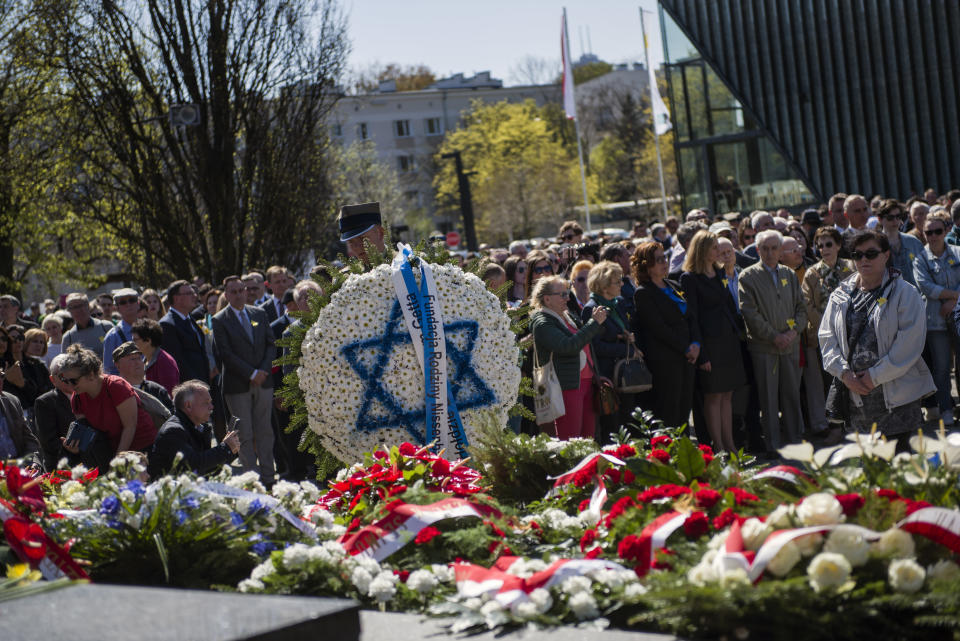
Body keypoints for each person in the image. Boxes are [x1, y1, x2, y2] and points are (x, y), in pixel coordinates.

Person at [820, 230, 936, 436]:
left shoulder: (905, 292)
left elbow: (910, 344)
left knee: (904, 464)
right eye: (857, 255)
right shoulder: (840, 295)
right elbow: (827, 339)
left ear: (886, 255)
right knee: (870, 465)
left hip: (899, 401)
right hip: (858, 403)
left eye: (871, 253)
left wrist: (874, 376)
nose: (864, 259)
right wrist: (845, 374)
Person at [738, 230, 806, 454]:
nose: (769, 253)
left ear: (780, 250)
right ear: (757, 250)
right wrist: (773, 336)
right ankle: (774, 444)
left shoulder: (788, 273)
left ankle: (795, 440)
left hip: (791, 345)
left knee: (792, 394)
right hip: (764, 348)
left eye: (774, 248)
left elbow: (801, 308)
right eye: (764, 248)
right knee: (768, 398)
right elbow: (750, 313)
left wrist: (793, 332)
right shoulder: (747, 276)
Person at [680, 231, 746, 452]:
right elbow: (693, 317)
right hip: (709, 344)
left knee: (727, 395)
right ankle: (718, 446)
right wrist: (703, 353)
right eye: (714, 247)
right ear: (703, 250)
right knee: (713, 396)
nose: (719, 251)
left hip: (728, 341)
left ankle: (730, 444)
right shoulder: (689, 278)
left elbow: (728, 305)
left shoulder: (719, 272)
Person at [212, 275, 276, 485]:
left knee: (265, 431)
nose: (239, 295)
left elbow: (270, 344)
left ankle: (269, 478)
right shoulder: (220, 319)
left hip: (263, 382)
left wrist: (263, 371)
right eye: (234, 291)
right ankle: (253, 481)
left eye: (242, 290)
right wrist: (251, 373)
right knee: (245, 434)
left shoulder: (259, 313)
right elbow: (225, 354)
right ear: (226, 294)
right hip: (238, 385)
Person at [529, 275, 606, 440]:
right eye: (562, 294)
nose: (567, 298)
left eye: (567, 293)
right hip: (566, 386)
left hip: (585, 382)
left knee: (588, 439)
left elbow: (584, 344)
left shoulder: (566, 315)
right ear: (547, 299)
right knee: (570, 440)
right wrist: (594, 323)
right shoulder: (542, 322)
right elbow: (568, 347)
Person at [631, 242, 698, 428]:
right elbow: (659, 328)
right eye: (658, 260)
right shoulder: (643, 293)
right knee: (669, 412)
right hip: (666, 361)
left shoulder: (673, 285)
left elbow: (691, 318)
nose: (664, 262)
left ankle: (685, 453)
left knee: (684, 411)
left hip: (688, 357)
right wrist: (685, 348)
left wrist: (696, 344)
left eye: (664, 258)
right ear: (646, 265)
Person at [59, 345, 158, 465]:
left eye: (73, 381)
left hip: (144, 450)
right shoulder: (77, 397)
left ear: (90, 374)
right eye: (65, 380)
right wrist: (77, 448)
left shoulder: (116, 386)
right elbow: (90, 435)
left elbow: (130, 427)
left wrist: (117, 461)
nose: (69, 385)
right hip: (111, 452)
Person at [802, 227, 855, 442]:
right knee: (829, 383)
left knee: (851, 379)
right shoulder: (812, 273)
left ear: (838, 245)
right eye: (820, 245)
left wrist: (844, 325)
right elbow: (807, 305)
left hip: (850, 333)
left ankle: (853, 423)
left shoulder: (850, 268)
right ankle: (832, 425)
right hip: (822, 338)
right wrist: (829, 327)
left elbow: (858, 297)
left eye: (828, 244)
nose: (824, 249)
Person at [914, 210, 960, 425]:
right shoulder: (920, 258)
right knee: (941, 368)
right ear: (923, 234)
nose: (933, 236)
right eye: (928, 232)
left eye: (937, 231)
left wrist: (953, 301)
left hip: (958, 317)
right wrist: (954, 296)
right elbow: (926, 287)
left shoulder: (958, 252)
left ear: (946, 231)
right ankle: (946, 409)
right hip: (935, 321)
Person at [582, 261, 637, 443]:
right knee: (612, 429)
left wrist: (627, 338)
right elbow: (596, 347)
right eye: (617, 281)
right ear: (604, 285)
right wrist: (627, 350)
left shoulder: (617, 303)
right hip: (608, 378)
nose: (622, 284)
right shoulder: (592, 308)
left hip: (624, 374)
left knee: (629, 424)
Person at [147, 380, 240, 478]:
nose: (211, 407)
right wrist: (225, 448)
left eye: (211, 402)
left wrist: (232, 450)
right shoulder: (173, 431)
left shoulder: (197, 427)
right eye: (206, 403)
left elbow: (208, 468)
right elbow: (194, 466)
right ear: (188, 406)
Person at [160, 280, 211, 384]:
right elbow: (178, 362)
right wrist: (196, 386)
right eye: (189, 293)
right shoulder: (167, 325)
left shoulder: (190, 320)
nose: (195, 296)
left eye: (194, 292)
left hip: (203, 384)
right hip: (190, 389)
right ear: (176, 298)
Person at [34, 354, 79, 470]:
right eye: (62, 376)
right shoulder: (45, 402)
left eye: (71, 373)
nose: (68, 380)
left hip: (90, 460)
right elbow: (49, 443)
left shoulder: (85, 395)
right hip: (63, 466)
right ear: (52, 380)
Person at [2, 326, 52, 417]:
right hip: (11, 414)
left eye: (21, 338)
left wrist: (23, 384)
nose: (18, 341)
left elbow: (46, 391)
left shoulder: (36, 364)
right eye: (13, 338)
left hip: (37, 413)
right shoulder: (3, 365)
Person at [112, 341, 174, 412]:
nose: (137, 362)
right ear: (118, 365)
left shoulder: (157, 390)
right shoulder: (114, 393)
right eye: (132, 359)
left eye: (139, 358)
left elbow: (172, 416)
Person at [876, 199, 924, 288]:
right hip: (888, 295)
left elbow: (925, 269)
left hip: (915, 295)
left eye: (898, 216)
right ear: (880, 219)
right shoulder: (875, 244)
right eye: (890, 218)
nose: (895, 221)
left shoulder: (913, 242)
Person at [0, 367, 41, 469]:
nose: (0, 380)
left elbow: (30, 440)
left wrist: (32, 462)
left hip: (20, 468)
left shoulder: (11, 400)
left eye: (1, 376)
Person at [132, 319, 180, 395]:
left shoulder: (165, 362)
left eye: (135, 340)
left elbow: (169, 396)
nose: (133, 343)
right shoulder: (144, 360)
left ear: (148, 340)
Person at [101, 288, 141, 375]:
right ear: (117, 308)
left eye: (132, 300)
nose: (128, 304)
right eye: (123, 302)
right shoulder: (112, 336)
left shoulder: (150, 330)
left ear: (138, 304)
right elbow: (109, 371)